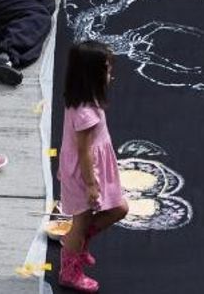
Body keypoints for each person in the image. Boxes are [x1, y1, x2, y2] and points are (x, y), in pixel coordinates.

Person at [57, 40, 129, 291]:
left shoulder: (85, 100)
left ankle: (76, 244)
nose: (111, 74)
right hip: (84, 173)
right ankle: (69, 271)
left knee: (118, 208)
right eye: (106, 69)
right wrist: (91, 184)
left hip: (91, 168)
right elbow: (84, 151)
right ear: (91, 76)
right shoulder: (85, 113)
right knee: (83, 220)